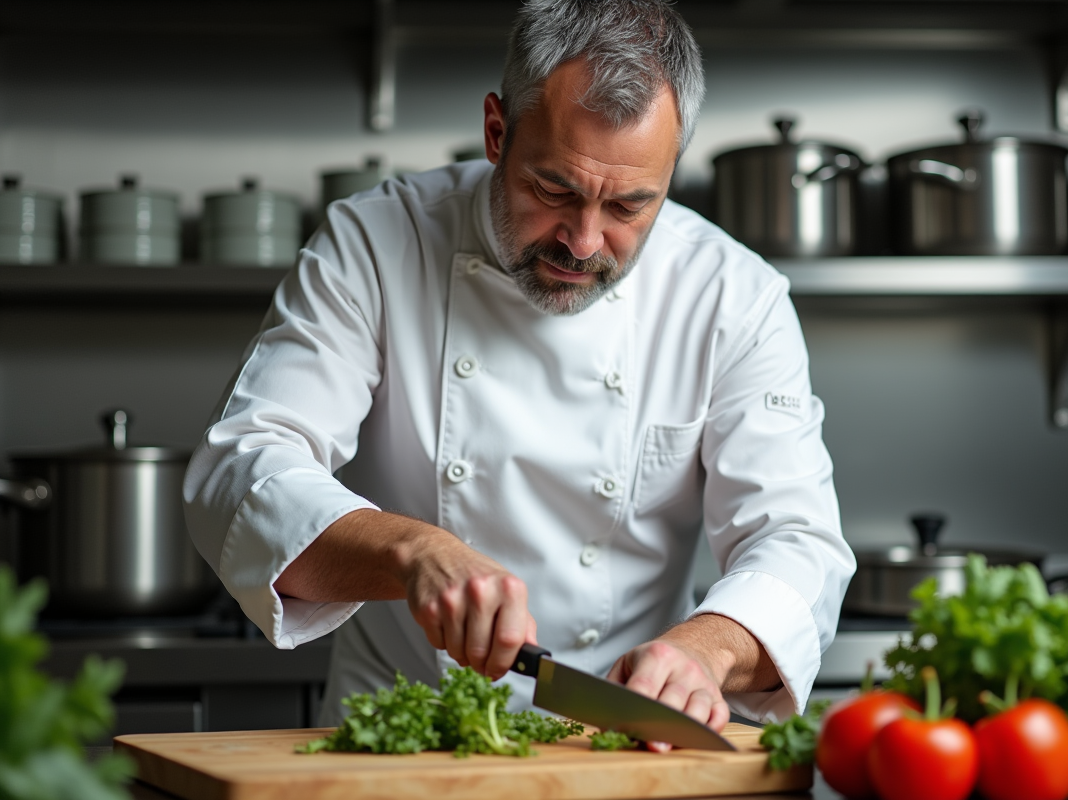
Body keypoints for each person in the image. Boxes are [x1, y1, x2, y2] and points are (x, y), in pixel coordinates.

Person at [183, 0, 855, 741]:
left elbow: (796, 539)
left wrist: (705, 649)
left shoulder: (733, 295)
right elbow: (244, 468)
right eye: (554, 190)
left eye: (631, 204)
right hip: (401, 746)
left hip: (630, 739)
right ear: (497, 133)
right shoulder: (376, 243)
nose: (584, 240)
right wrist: (414, 552)